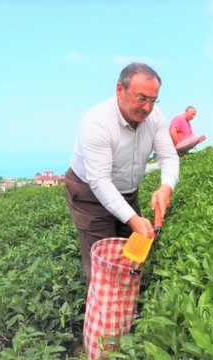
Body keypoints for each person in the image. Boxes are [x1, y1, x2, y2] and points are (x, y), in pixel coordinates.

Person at [64, 62, 180, 285]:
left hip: (127, 191)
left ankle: (129, 308)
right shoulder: (97, 122)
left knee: (132, 254)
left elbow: (169, 156)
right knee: (104, 264)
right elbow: (99, 181)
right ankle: (104, 314)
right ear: (120, 90)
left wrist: (166, 186)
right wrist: (132, 217)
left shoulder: (154, 118)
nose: (147, 107)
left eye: (153, 100)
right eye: (141, 98)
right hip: (89, 194)